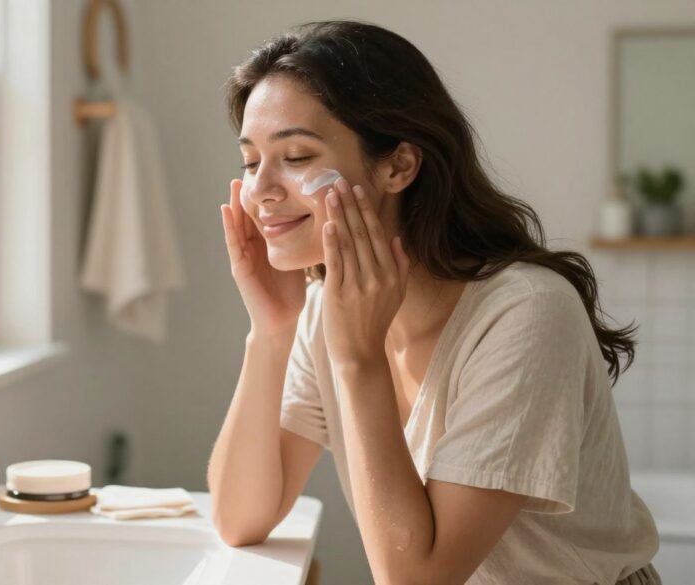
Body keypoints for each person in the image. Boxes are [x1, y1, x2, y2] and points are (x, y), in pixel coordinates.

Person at [207, 20, 660, 585]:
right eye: (251, 162)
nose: (262, 190)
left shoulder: (525, 314)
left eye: (295, 156)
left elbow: (416, 580)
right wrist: (271, 331)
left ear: (398, 165)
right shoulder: (327, 309)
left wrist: (357, 358)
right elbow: (240, 519)